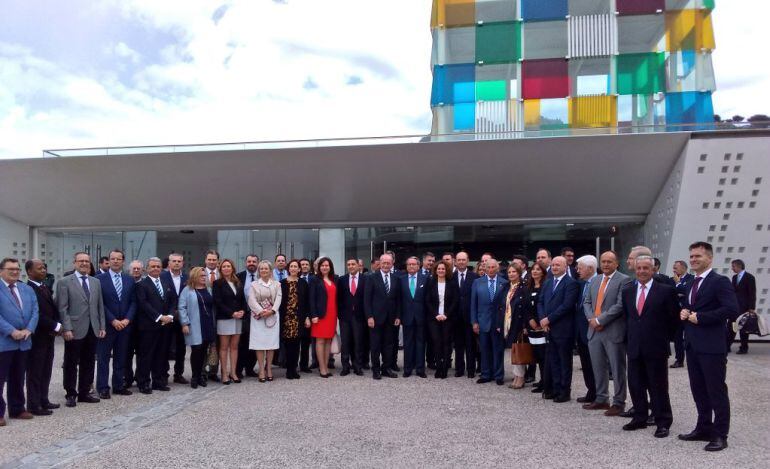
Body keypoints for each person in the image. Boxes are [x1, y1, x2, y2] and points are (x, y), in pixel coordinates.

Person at [678, 242, 738, 452]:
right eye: (692, 256)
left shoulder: (719, 281)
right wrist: (685, 312)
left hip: (712, 346)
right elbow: (691, 307)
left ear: (709, 258)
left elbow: (731, 309)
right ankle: (703, 427)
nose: (694, 259)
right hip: (693, 345)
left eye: (698, 256)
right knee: (698, 390)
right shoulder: (691, 283)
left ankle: (721, 434)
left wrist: (700, 317)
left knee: (716, 391)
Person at [621, 255, 679, 438]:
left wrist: (662, 338)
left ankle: (663, 421)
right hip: (634, 346)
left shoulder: (666, 291)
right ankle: (640, 417)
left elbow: (673, 320)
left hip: (656, 346)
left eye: (646, 268)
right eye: (639, 268)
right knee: (636, 384)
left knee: (658, 386)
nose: (642, 271)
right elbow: (628, 318)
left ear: (653, 270)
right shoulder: (628, 291)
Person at [582, 251, 631, 416]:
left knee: (617, 369)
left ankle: (619, 402)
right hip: (594, 331)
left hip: (612, 330)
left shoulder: (624, 280)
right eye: (603, 261)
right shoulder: (595, 280)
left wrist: (600, 320)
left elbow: (619, 305)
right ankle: (601, 398)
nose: (606, 264)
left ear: (617, 263)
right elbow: (587, 302)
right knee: (598, 367)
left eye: (610, 261)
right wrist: (591, 319)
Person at [56, 252, 106, 407]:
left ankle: (84, 392)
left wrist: (102, 326)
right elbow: (62, 308)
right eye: (81, 261)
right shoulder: (64, 282)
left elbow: (100, 306)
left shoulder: (95, 281)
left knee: (89, 361)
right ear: (74, 263)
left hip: (93, 328)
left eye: (87, 261)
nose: (84, 263)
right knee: (71, 362)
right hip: (74, 329)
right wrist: (67, 328)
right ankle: (70, 393)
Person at [0, 258, 39, 426]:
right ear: (1, 271)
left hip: (24, 341)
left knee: (18, 376)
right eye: (11, 269)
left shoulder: (26, 289)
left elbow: (35, 310)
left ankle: (17, 408)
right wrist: (11, 331)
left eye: (17, 269)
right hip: (4, 341)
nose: (15, 272)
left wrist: (28, 330)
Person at [95, 249, 136, 399]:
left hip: (125, 325)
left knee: (121, 357)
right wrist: (113, 320)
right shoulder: (98, 279)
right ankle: (103, 387)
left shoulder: (129, 279)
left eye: (119, 259)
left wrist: (126, 320)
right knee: (103, 358)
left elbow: (133, 302)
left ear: (123, 261)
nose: (115, 261)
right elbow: (99, 303)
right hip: (107, 325)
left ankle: (118, 385)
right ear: (109, 260)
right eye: (113, 258)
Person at [537, 256, 579, 402]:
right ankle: (555, 389)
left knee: (564, 361)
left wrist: (549, 319)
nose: (554, 267)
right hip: (548, 328)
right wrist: (543, 319)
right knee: (553, 360)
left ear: (565, 267)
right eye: (553, 265)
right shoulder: (548, 282)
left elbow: (566, 306)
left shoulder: (571, 283)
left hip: (563, 329)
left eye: (558, 265)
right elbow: (540, 301)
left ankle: (564, 391)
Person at [134, 257, 176, 394]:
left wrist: (169, 316)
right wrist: (159, 317)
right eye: (153, 266)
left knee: (161, 355)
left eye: (158, 266)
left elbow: (172, 300)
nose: (156, 269)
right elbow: (143, 304)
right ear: (146, 268)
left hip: (165, 326)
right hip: (148, 326)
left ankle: (158, 381)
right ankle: (143, 382)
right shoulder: (142, 284)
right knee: (146, 355)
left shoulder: (166, 282)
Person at [24, 259, 60, 416]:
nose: (43, 270)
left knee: (46, 369)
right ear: (29, 272)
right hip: (37, 337)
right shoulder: (28, 289)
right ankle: (34, 404)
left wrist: (57, 322)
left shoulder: (44, 287)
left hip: (49, 337)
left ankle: (43, 399)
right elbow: (36, 314)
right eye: (39, 268)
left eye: (44, 267)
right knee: (35, 372)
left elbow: (53, 308)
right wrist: (55, 326)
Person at [470, 258, 508, 386]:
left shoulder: (504, 282)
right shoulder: (477, 282)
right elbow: (473, 304)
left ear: (498, 268)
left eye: (493, 267)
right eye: (488, 267)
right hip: (482, 321)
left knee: (498, 349)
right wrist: (474, 322)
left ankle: (498, 375)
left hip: (498, 323)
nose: (491, 269)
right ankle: (486, 374)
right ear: (484, 268)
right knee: (484, 349)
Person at [364, 253, 401, 380]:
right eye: (383, 263)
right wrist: (369, 316)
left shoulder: (396, 278)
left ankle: (386, 368)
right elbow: (367, 300)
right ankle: (376, 369)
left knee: (389, 345)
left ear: (392, 264)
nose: (386, 265)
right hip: (375, 318)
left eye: (388, 263)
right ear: (379, 263)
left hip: (391, 318)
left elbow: (397, 300)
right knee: (375, 345)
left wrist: (397, 316)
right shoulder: (371, 278)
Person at [178, 267, 216, 389]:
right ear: (195, 276)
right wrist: (184, 323)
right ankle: (195, 376)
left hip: (207, 323)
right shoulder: (187, 290)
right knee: (196, 351)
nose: (204, 277)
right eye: (201, 275)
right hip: (194, 324)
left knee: (204, 350)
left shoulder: (209, 289)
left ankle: (200, 375)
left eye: (205, 275)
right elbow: (181, 307)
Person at [496, 264, 532, 389]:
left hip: (519, 323)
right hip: (507, 322)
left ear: (519, 273)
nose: (511, 274)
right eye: (509, 272)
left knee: (518, 350)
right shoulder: (506, 287)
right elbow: (501, 307)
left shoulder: (524, 288)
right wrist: (499, 323)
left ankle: (520, 378)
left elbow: (527, 307)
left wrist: (525, 325)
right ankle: (516, 376)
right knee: (513, 350)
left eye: (514, 272)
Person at [213, 259, 246, 385]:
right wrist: (231, 313)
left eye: (229, 266)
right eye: (224, 266)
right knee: (224, 347)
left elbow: (242, 298)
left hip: (238, 318)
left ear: (232, 268)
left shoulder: (237, 282)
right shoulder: (217, 283)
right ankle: (224, 374)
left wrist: (242, 310)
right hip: (225, 318)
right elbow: (218, 301)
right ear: (221, 269)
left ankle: (233, 372)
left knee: (234, 347)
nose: (226, 268)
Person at [247, 261, 281, 382]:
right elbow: (251, 300)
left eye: (266, 268)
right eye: (261, 269)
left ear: (270, 270)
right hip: (259, 318)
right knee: (260, 345)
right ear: (259, 271)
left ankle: (269, 369)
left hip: (272, 317)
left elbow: (278, 298)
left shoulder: (277, 284)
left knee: (271, 345)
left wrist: (272, 311)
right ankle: (261, 369)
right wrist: (262, 311)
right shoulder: (254, 284)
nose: (264, 270)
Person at [425, 260, 458, 379]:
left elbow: (455, 300)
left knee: (446, 343)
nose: (441, 271)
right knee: (436, 343)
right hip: (434, 318)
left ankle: (444, 368)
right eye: (439, 269)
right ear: (435, 270)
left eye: (443, 269)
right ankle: (438, 367)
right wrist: (436, 314)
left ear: (446, 270)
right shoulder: (431, 282)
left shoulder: (452, 283)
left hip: (448, 318)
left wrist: (446, 314)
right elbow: (427, 300)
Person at [161, 253, 188, 385]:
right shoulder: (162, 276)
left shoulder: (187, 277)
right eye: (174, 261)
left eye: (179, 261)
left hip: (183, 317)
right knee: (164, 346)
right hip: (167, 317)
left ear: (183, 263)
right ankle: (164, 374)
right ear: (169, 263)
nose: (177, 263)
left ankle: (179, 373)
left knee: (181, 347)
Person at [573, 255, 597, 406]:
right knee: (586, 363)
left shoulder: (600, 282)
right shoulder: (581, 284)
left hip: (595, 329)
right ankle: (591, 391)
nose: (577, 270)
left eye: (580, 268)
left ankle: (600, 394)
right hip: (581, 331)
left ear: (590, 268)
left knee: (597, 364)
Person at [309, 257, 338, 378]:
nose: (325, 267)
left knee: (328, 341)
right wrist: (313, 315)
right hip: (320, 316)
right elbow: (312, 299)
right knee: (320, 341)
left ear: (330, 267)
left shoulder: (334, 279)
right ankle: (322, 368)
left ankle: (326, 366)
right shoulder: (314, 279)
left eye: (327, 265)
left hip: (332, 315)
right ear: (318, 267)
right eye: (322, 265)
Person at [400, 257, 428, 378]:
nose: (411, 266)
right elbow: (398, 300)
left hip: (421, 317)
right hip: (406, 317)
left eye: (414, 264)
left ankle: (420, 369)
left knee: (421, 343)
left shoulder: (425, 279)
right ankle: (408, 368)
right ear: (406, 266)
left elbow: (428, 300)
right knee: (408, 343)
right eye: (409, 264)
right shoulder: (400, 279)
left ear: (418, 266)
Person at [279, 260, 308, 379]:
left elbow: (307, 302)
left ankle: (294, 369)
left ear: (299, 269)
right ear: (288, 269)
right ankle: (288, 370)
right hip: (286, 318)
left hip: (298, 318)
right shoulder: (282, 283)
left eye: (296, 266)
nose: (293, 268)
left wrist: (307, 317)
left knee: (296, 345)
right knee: (287, 344)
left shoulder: (303, 283)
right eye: (291, 266)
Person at [337, 258, 366, 376]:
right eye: (348, 264)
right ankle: (345, 366)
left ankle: (357, 366)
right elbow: (338, 299)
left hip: (360, 316)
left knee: (358, 342)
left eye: (353, 264)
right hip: (345, 317)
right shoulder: (342, 280)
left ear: (358, 266)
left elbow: (367, 298)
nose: (351, 266)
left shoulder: (366, 279)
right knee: (345, 342)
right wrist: (340, 314)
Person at [453, 251, 479, 378]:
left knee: (471, 345)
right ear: (455, 261)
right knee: (458, 345)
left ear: (467, 261)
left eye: (463, 260)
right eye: (459, 260)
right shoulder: (450, 276)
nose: (461, 262)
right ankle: (459, 369)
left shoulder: (474, 277)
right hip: (455, 317)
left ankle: (470, 370)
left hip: (470, 316)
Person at [236, 254, 260, 378]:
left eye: (254, 261)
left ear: (258, 263)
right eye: (249, 261)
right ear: (246, 263)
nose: (251, 263)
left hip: (259, 316)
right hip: (244, 315)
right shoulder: (238, 277)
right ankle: (238, 370)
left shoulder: (262, 276)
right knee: (242, 344)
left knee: (255, 343)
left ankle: (250, 369)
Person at [526, 262, 548, 393]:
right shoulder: (529, 287)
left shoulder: (545, 287)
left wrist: (540, 321)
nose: (534, 272)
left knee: (543, 355)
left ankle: (545, 382)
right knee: (537, 355)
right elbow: (525, 305)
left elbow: (545, 305)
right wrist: (529, 320)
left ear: (543, 272)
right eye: (533, 269)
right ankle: (541, 380)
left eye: (538, 269)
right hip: (531, 326)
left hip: (542, 326)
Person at [124, 260, 144, 388]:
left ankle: (140, 376)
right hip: (128, 323)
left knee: (142, 353)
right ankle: (127, 377)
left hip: (143, 325)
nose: (136, 271)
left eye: (138, 269)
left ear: (142, 270)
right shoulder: (125, 282)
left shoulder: (146, 283)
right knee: (127, 353)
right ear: (129, 270)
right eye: (134, 269)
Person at [730, 259, 756, 354]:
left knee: (744, 329)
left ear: (739, 266)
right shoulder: (734, 277)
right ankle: (727, 345)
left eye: (733, 266)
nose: (732, 268)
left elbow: (752, 293)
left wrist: (751, 307)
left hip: (745, 307)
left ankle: (744, 347)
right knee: (731, 326)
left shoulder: (749, 277)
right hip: (734, 307)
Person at [671, 260, 693, 368]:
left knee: (689, 337)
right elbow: (671, 293)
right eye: (673, 268)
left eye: (676, 268)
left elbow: (687, 291)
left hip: (688, 312)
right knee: (677, 338)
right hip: (676, 313)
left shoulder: (691, 278)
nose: (674, 270)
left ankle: (692, 359)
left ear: (684, 268)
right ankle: (679, 360)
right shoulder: (671, 280)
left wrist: (678, 285)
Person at [203, 250, 221, 382]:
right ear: (205, 260)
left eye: (214, 260)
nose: (211, 262)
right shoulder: (199, 273)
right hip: (203, 313)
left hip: (219, 313)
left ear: (218, 261)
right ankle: (202, 371)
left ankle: (213, 371)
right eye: (209, 259)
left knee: (216, 344)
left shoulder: (223, 273)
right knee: (203, 345)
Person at [298, 258, 314, 372]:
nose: (304, 266)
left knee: (306, 342)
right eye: (302, 264)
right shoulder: (295, 279)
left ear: (310, 266)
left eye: (306, 264)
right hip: (296, 314)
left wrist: (309, 316)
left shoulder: (314, 279)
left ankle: (304, 365)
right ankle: (292, 364)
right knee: (294, 342)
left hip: (310, 314)